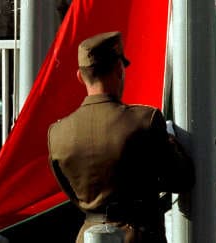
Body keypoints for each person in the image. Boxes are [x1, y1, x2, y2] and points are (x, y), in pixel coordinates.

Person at [47, 31, 194, 243]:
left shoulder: (57, 133)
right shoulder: (145, 121)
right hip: (139, 235)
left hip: (87, 235)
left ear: (80, 77)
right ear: (119, 69)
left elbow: (71, 193)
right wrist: (170, 139)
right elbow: (181, 178)